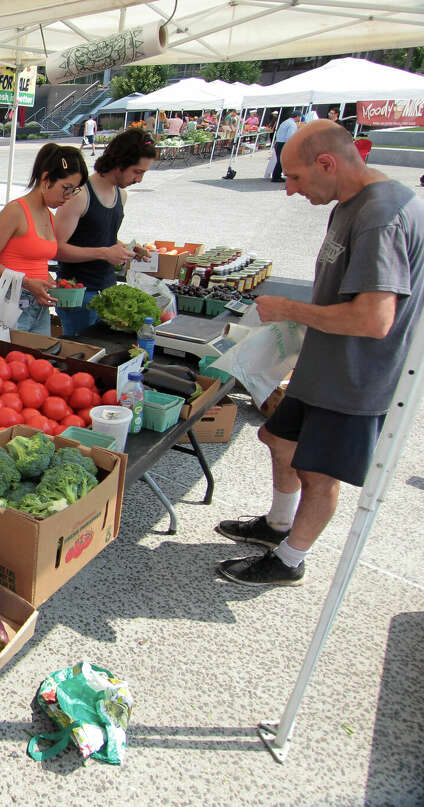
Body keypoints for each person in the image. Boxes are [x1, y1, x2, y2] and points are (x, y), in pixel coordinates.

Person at [216, 120, 424, 587]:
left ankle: (289, 560)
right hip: (323, 365)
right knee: (278, 439)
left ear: (326, 163)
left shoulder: (381, 216)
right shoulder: (351, 205)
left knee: (319, 472)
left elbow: (374, 319)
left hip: (354, 377)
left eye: (294, 177)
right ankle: (278, 524)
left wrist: (291, 309)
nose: (289, 190)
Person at [0, 144, 89, 335]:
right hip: (8, 304)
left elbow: (37, 264)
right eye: (66, 188)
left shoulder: (49, 216)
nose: (69, 197)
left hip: (38, 308)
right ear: (46, 179)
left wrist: (57, 290)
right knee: (4, 363)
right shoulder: (15, 211)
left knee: (37, 362)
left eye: (74, 191)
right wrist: (27, 283)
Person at [53, 128, 156, 336]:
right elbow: (55, 248)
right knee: (81, 357)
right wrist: (104, 253)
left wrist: (128, 248)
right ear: (119, 163)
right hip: (78, 295)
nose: (140, 179)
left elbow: (101, 237)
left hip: (108, 289)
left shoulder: (122, 195)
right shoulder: (79, 195)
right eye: (137, 171)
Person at [271, 111, 302, 182]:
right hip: (283, 143)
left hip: (279, 142)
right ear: (297, 116)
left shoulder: (286, 122)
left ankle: (277, 175)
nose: (299, 118)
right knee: (282, 161)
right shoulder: (292, 124)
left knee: (280, 160)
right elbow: (290, 136)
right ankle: (276, 177)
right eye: (299, 117)